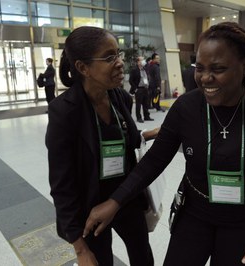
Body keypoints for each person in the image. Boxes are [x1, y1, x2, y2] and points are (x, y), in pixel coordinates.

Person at [83, 22, 245, 266]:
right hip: (194, 214)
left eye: (218, 69)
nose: (205, 78)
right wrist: (115, 201)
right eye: (200, 67)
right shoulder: (187, 107)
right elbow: (154, 160)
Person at [46, 26, 159, 266]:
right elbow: (61, 185)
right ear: (82, 67)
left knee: (143, 257)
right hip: (91, 208)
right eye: (109, 57)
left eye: (118, 54)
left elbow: (121, 138)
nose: (119, 63)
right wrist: (80, 249)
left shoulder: (120, 98)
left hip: (125, 197)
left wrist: (148, 134)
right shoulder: (64, 112)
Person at [129, 56, 154, 123]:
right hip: (139, 89)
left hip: (145, 88)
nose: (144, 61)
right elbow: (131, 81)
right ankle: (139, 117)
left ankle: (146, 116)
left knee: (146, 103)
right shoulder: (134, 70)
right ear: (138, 62)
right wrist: (135, 89)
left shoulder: (145, 69)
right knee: (138, 104)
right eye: (142, 60)